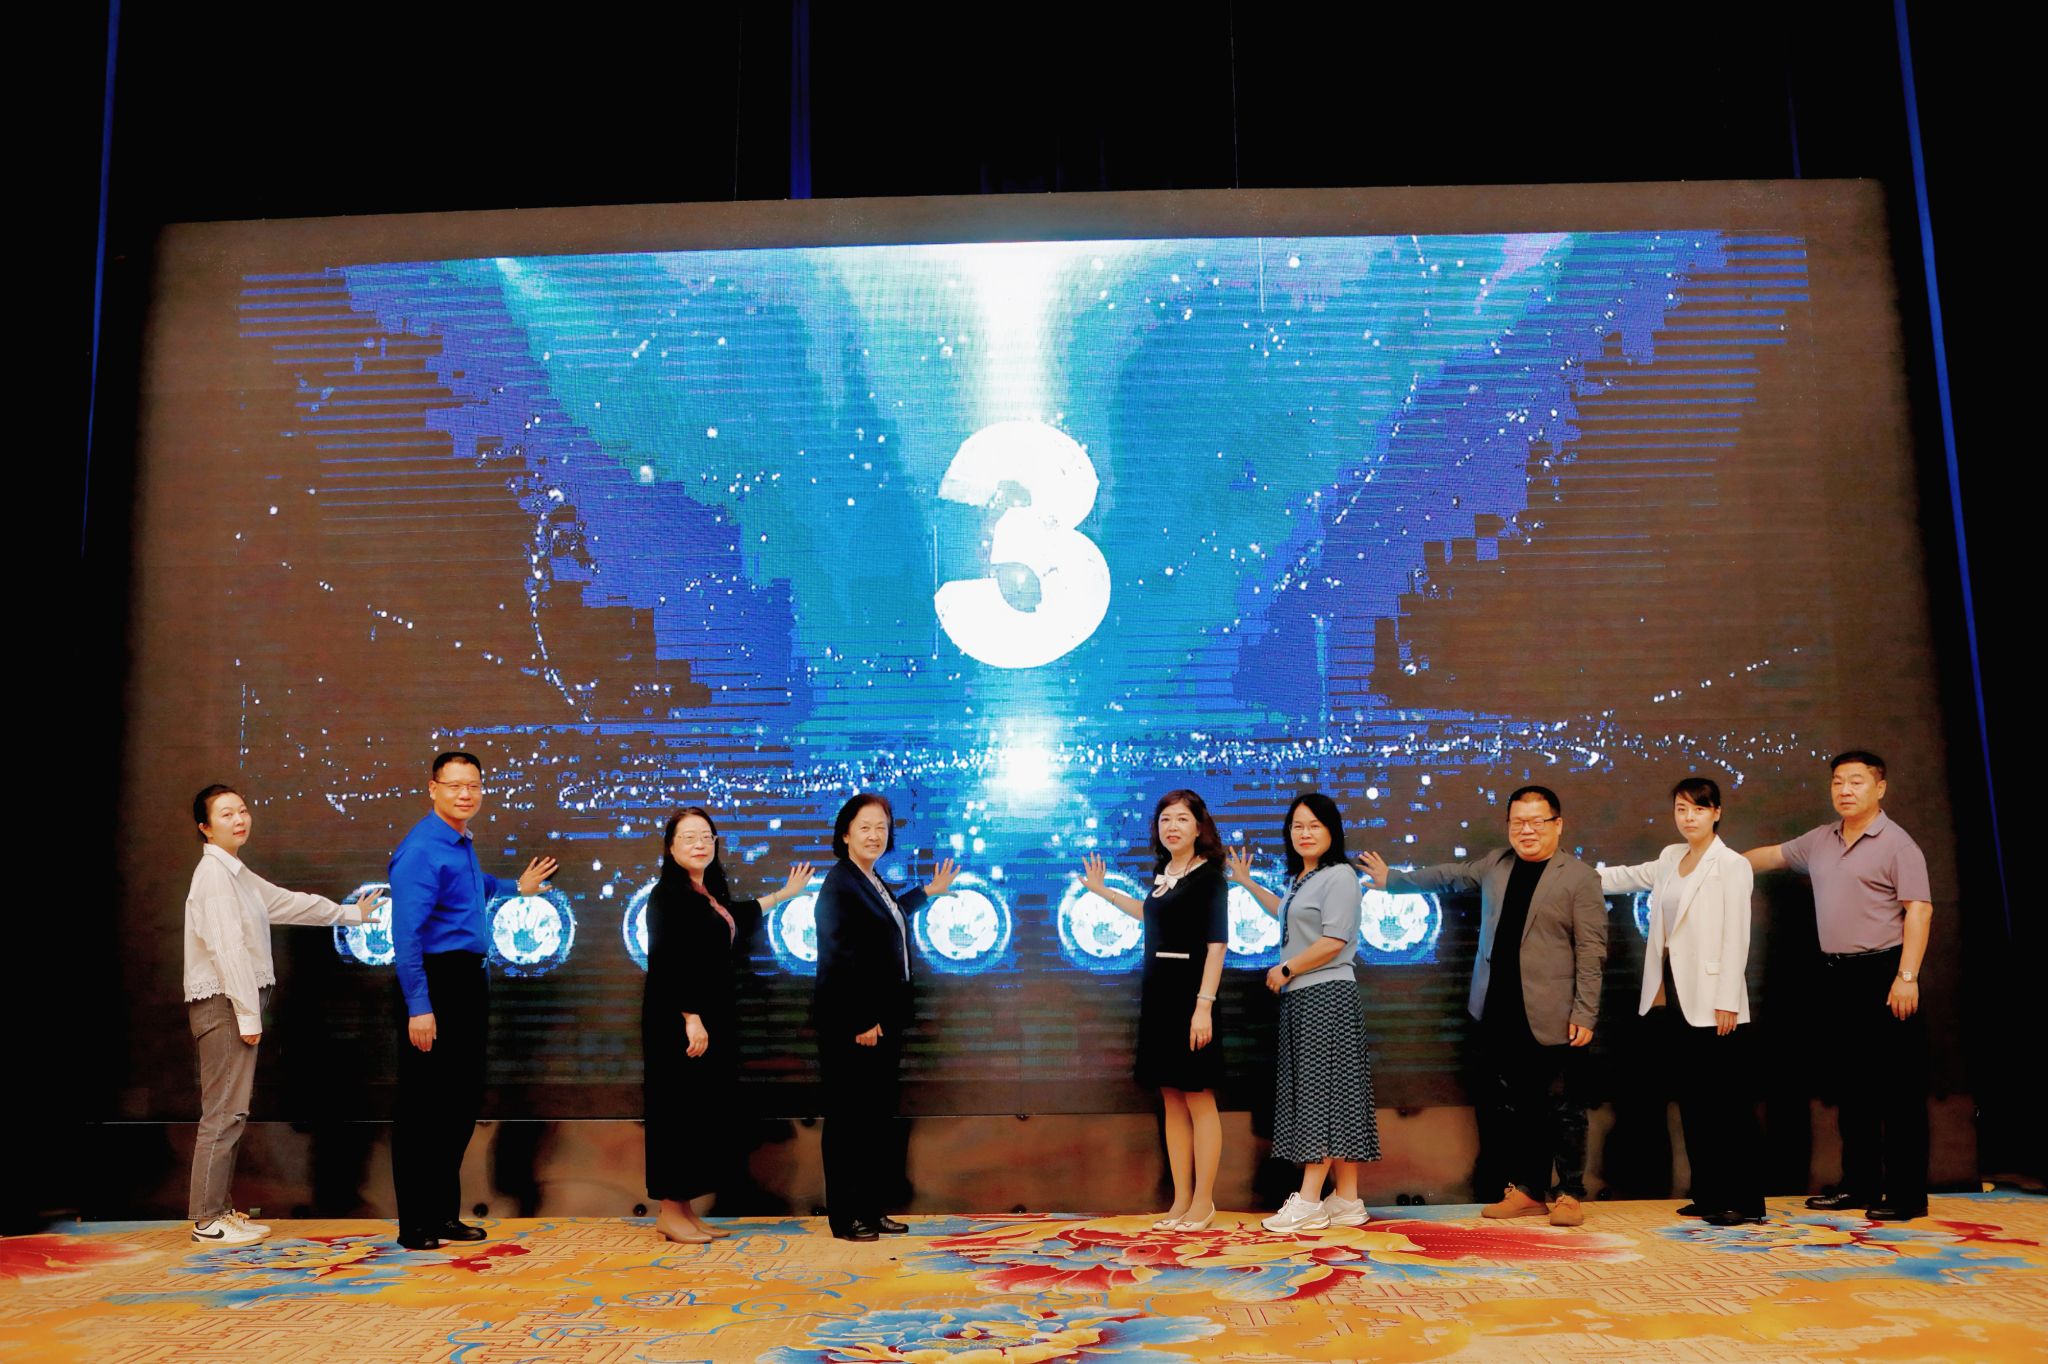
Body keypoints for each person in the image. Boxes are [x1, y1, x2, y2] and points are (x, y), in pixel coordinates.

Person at [1358, 785, 1606, 1227]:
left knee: (1564, 1107)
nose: (1526, 830)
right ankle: (1528, 1190)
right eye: (1518, 822)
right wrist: (1393, 880)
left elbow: (1592, 952)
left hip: (1556, 1013)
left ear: (1557, 825)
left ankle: (1570, 1193)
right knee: (1520, 1107)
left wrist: (1585, 1012)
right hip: (1499, 1008)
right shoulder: (1496, 864)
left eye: (1536, 822)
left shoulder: (1579, 877)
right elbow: (1448, 876)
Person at [1745, 750, 1934, 1221]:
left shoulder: (1898, 844)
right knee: (1854, 1087)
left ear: (1879, 787)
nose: (1845, 790)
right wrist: (1717, 864)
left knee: (1898, 1090)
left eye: (1856, 781)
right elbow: (1771, 856)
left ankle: (1907, 1195)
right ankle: (1859, 1185)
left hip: (1886, 973)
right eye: (1837, 782)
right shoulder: (1821, 839)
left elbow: (1919, 909)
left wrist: (1907, 976)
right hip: (1836, 975)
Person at [183, 784, 376, 1246]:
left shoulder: (235, 873)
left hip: (236, 1004)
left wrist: (349, 914)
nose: (239, 819)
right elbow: (227, 951)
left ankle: (219, 1211)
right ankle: (207, 1220)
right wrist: (249, 1017)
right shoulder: (213, 876)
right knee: (223, 1113)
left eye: (242, 810)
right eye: (226, 814)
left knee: (232, 1111)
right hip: (226, 1005)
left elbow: (287, 903)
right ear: (205, 827)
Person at [388, 751, 558, 1251]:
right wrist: (419, 1006)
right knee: (423, 1108)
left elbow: (472, 888)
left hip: (466, 983)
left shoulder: (459, 841)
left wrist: (517, 888)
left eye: (474, 785)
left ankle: (442, 1214)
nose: (466, 794)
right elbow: (406, 936)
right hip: (435, 985)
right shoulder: (421, 849)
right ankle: (414, 1224)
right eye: (455, 785)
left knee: (457, 1105)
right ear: (432, 788)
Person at [1598, 778, 1764, 1225]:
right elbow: (1627, 877)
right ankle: (1708, 1194)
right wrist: (1572, 874)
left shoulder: (1731, 865)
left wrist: (1728, 999)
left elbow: (1737, 937)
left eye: (1698, 809)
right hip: (1674, 991)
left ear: (1717, 813)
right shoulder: (1672, 856)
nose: (1689, 817)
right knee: (1693, 1101)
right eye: (1681, 809)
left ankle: (1743, 1201)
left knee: (1726, 1105)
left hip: (1715, 999)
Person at [642, 807, 811, 1244]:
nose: (699, 844)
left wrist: (784, 894)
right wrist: (690, 1016)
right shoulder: (667, 895)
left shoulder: (706, 893)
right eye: (688, 837)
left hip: (707, 1017)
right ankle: (669, 1212)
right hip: (679, 1021)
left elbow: (741, 913)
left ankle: (683, 1210)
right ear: (670, 847)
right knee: (678, 1114)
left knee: (699, 1114)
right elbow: (666, 959)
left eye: (706, 836)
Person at [1227, 792, 1380, 1233]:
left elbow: (1334, 940)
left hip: (1328, 995)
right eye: (1297, 826)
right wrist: (1247, 883)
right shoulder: (1303, 879)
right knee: (1335, 1093)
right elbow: (1284, 912)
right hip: (1305, 997)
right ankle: (1347, 1199)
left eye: (1314, 825)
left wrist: (1287, 968)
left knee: (1321, 1096)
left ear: (1332, 831)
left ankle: (1310, 1200)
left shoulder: (1341, 876)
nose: (1305, 833)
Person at [1081, 788, 1229, 1232]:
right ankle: (1180, 1200)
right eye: (1165, 819)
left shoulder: (1210, 877)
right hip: (1159, 995)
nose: (1172, 827)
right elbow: (1151, 915)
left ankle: (1203, 1202)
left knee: (1198, 1098)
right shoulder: (1164, 873)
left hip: (1192, 998)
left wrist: (1204, 1006)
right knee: (1171, 1099)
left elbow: (1217, 945)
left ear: (1199, 827)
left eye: (1181, 818)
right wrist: (1103, 892)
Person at [812, 792, 956, 1241]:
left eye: (881, 827)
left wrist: (926, 893)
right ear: (845, 834)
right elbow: (837, 956)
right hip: (855, 1025)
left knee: (873, 1121)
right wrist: (859, 1019)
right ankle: (846, 1217)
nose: (875, 835)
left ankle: (870, 1210)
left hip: (882, 1021)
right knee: (849, 1122)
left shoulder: (869, 879)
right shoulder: (840, 883)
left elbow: (886, 920)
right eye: (865, 827)